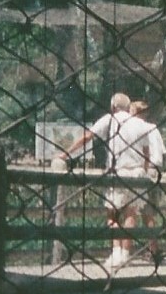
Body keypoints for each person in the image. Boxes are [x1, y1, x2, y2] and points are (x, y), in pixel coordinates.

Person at [60, 92, 154, 270]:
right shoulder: (140, 124)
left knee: (112, 213)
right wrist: (145, 170)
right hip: (137, 173)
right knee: (131, 213)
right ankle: (125, 254)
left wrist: (65, 154)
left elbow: (87, 137)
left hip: (117, 171)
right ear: (128, 106)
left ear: (113, 106)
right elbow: (146, 153)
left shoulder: (110, 119)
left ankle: (116, 252)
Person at [129, 100, 166, 263]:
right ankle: (153, 249)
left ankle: (128, 249)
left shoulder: (136, 128)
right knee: (149, 212)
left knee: (135, 210)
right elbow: (162, 151)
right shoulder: (153, 128)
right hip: (156, 170)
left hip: (144, 169)